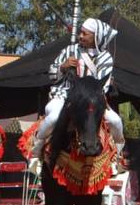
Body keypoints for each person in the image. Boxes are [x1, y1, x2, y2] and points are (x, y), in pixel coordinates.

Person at [28, 18, 125, 173]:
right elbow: (51, 76)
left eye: (84, 34)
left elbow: (102, 86)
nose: (80, 36)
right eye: (80, 32)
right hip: (64, 94)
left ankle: (117, 157)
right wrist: (63, 67)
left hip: (92, 99)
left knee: (116, 121)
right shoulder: (69, 50)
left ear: (96, 37)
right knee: (53, 117)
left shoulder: (106, 58)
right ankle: (36, 151)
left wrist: (85, 96)